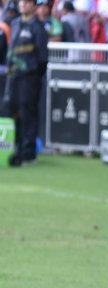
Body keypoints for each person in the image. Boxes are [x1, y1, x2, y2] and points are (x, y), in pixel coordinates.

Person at [3, 0, 47, 168]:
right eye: (22, 2)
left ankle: (28, 153)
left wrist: (33, 74)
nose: (23, 5)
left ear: (34, 6)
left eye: (27, 2)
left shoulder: (38, 27)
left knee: (27, 112)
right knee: (12, 111)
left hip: (29, 77)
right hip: (13, 76)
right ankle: (15, 148)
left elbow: (42, 58)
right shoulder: (14, 23)